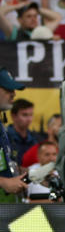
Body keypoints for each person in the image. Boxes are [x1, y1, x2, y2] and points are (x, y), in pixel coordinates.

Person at [0, 68, 29, 202]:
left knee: (39, 224)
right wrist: (3, 182)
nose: (14, 94)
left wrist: (27, 173)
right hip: (6, 208)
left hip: (10, 205)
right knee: (37, 223)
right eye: (8, 89)